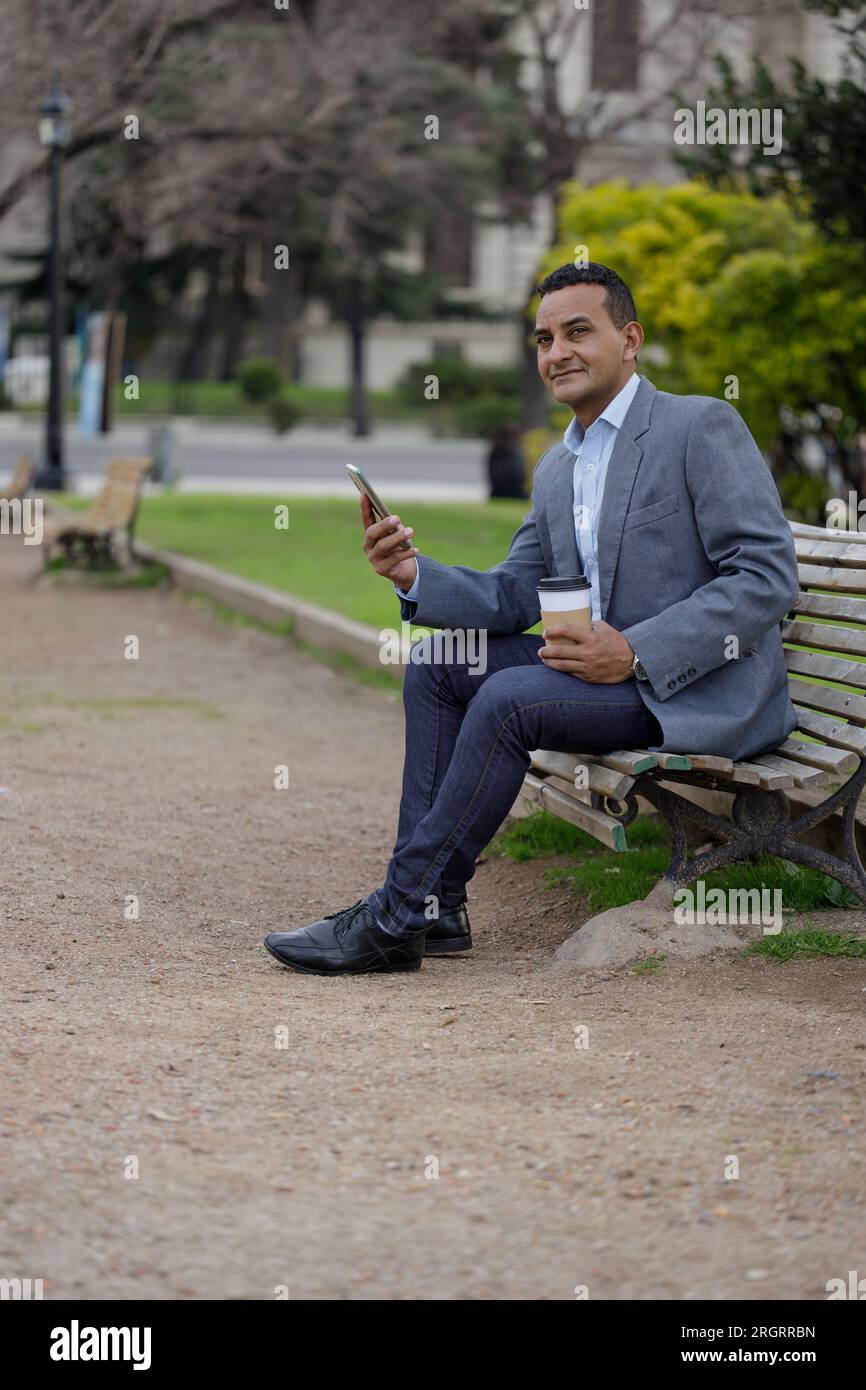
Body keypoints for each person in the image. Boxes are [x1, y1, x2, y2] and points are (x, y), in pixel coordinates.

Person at [265, 262, 800, 977]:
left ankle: (395, 916)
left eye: (579, 331)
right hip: (594, 673)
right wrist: (412, 574)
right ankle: (439, 906)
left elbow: (766, 577)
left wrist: (635, 650)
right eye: (544, 339)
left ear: (630, 338)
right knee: (440, 666)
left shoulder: (697, 426)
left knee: (510, 698)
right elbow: (517, 592)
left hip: (694, 687)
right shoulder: (556, 468)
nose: (558, 352)